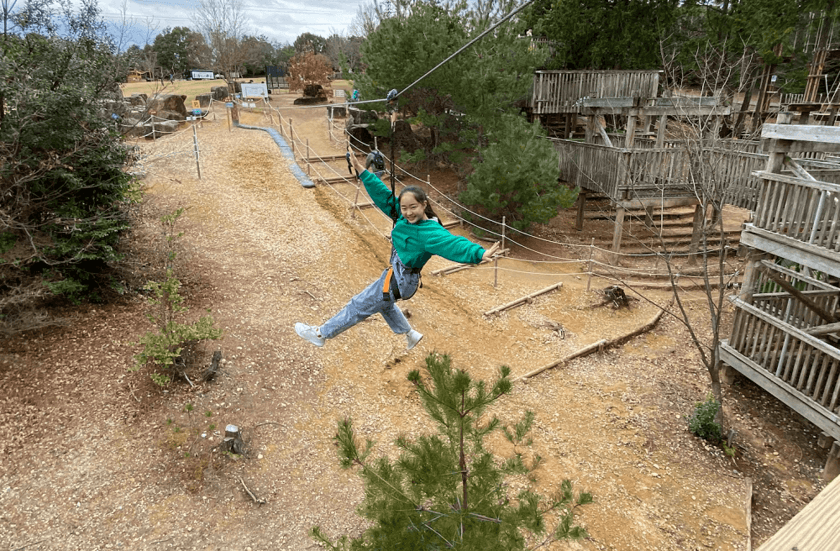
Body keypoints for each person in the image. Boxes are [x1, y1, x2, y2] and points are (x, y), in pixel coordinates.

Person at [295, 155, 500, 350]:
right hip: (397, 276)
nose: (408, 212)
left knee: (358, 304)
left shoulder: (429, 232)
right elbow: (384, 197)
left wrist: (479, 253)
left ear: (424, 205)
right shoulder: (403, 217)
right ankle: (410, 333)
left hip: (401, 281)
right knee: (384, 303)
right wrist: (361, 170)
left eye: (413, 207)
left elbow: (452, 243)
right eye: (404, 208)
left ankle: (321, 334)